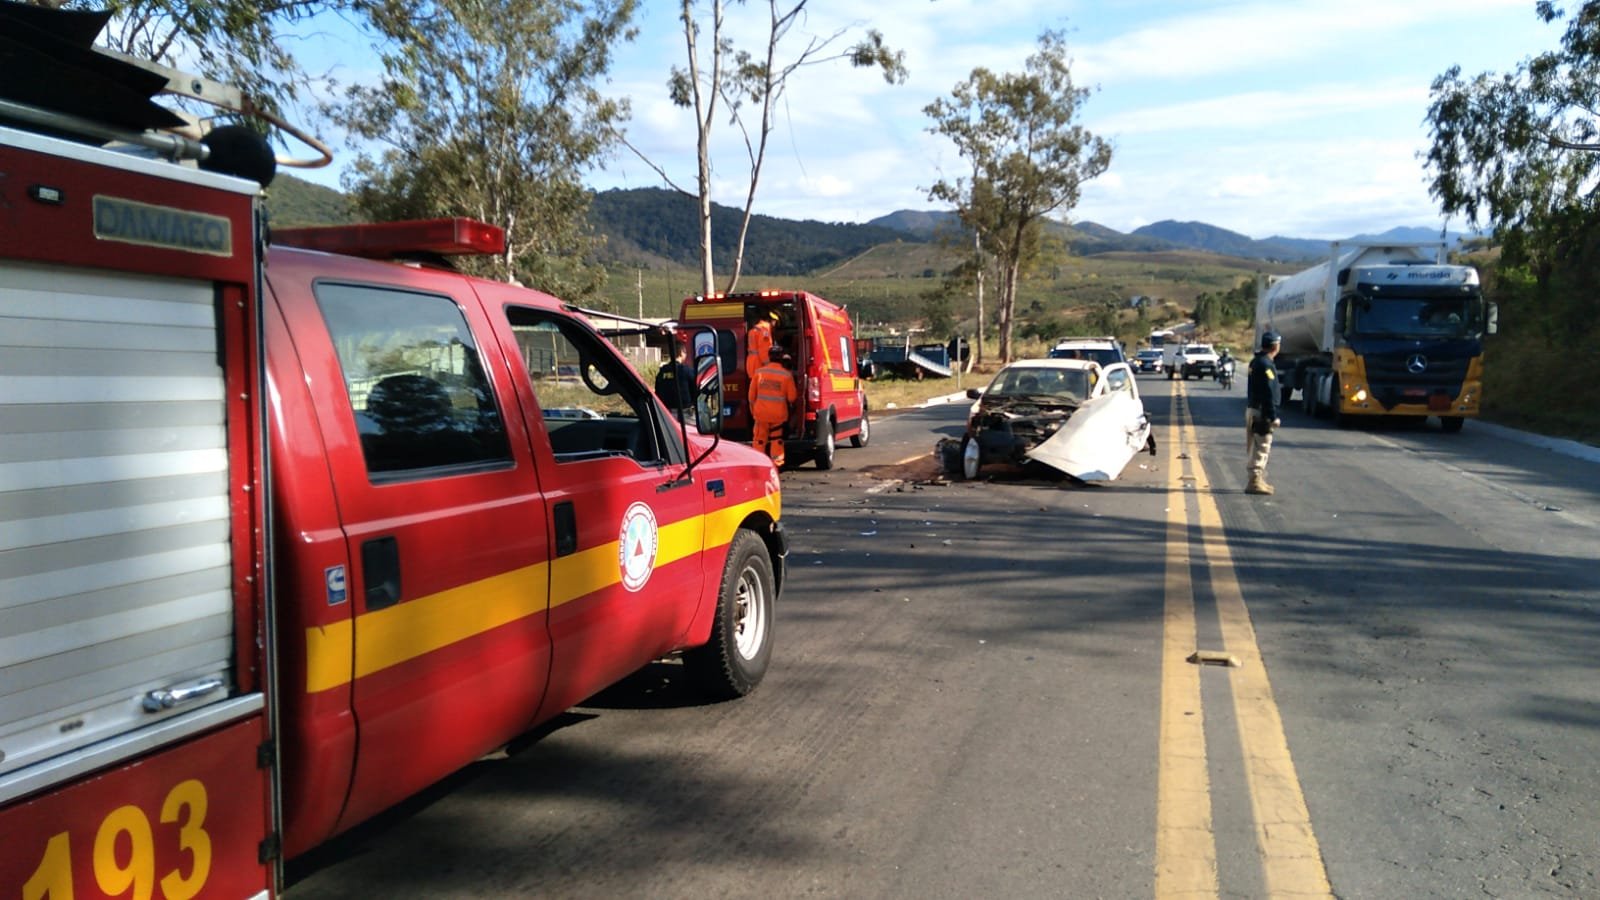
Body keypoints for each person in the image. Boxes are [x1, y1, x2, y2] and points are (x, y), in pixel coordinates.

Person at [1246, 331, 1282, 495]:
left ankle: (1258, 480)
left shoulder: (1256, 361)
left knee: (1255, 446)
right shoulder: (1266, 365)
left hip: (1253, 408)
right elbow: (1268, 391)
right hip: (1261, 411)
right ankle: (1255, 481)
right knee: (1262, 447)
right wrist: (1272, 416)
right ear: (1275, 346)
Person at [749, 345, 797, 467]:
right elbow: (792, 397)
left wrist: (754, 411)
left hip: (761, 414)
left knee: (760, 440)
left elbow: (751, 396)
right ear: (781, 358)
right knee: (777, 439)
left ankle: (758, 464)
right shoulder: (786, 375)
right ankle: (776, 463)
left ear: (769, 357)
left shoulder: (759, 373)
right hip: (778, 415)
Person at [653, 342, 695, 417]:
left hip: (665, 414)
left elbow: (657, 391)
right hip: (684, 414)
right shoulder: (686, 370)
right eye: (685, 352)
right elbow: (695, 390)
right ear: (681, 353)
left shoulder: (662, 371)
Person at [744, 307, 779, 380]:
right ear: (772, 321)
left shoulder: (755, 329)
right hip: (759, 365)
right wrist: (769, 366)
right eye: (775, 322)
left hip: (751, 364)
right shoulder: (765, 329)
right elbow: (764, 350)